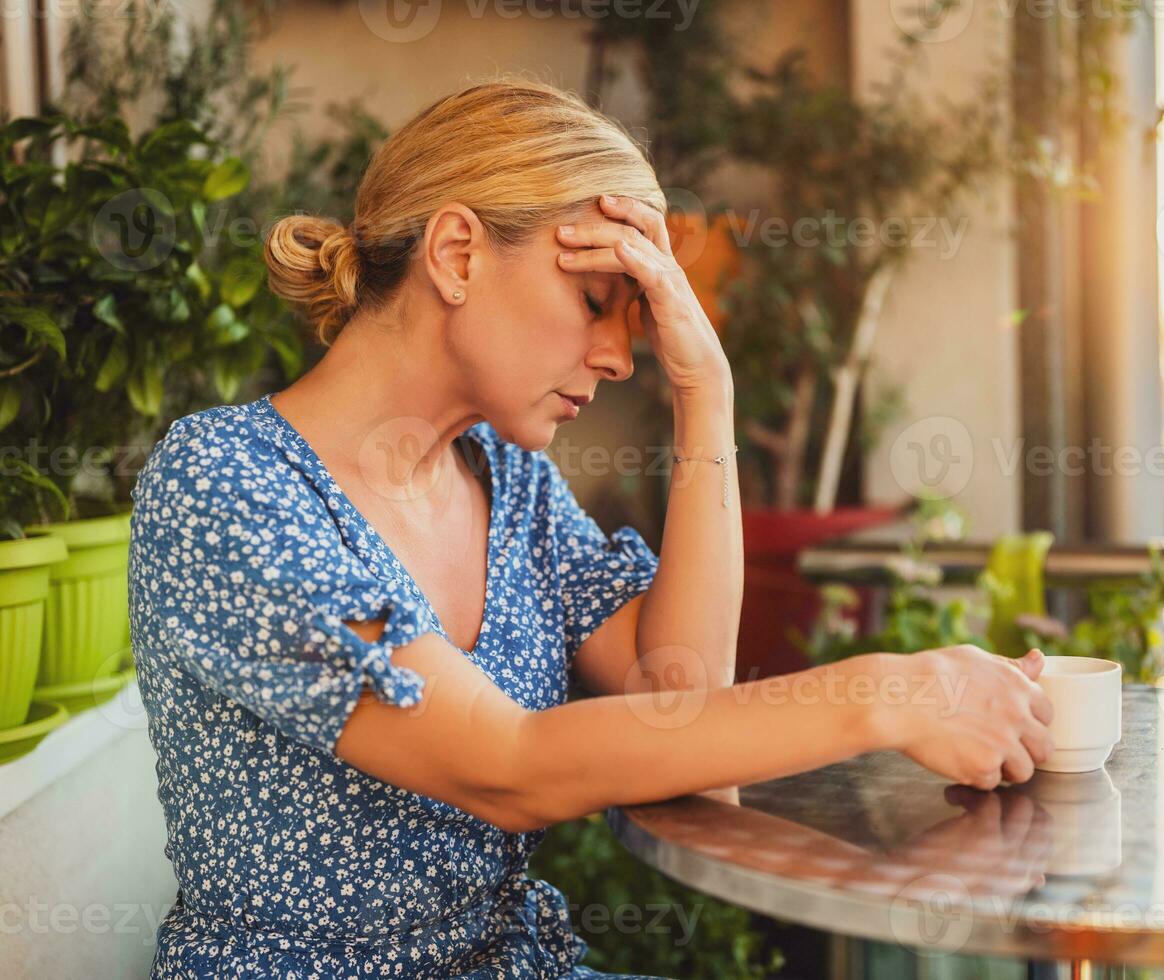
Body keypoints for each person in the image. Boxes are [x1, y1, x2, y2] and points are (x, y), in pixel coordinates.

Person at [127, 77, 1053, 978]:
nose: (618, 358)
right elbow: (508, 766)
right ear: (457, 254)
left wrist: (708, 394)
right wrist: (887, 693)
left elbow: (677, 699)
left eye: (636, 317)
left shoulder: (511, 482)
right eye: (594, 303)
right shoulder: (226, 487)